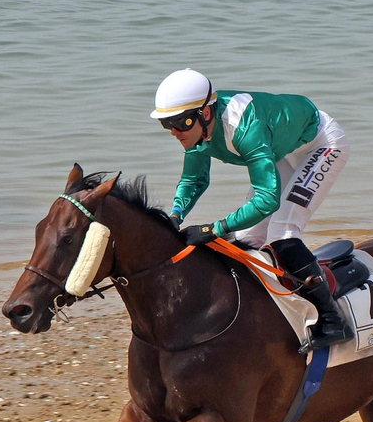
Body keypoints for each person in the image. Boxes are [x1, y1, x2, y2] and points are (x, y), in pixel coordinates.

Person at [150, 69, 353, 351]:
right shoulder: (196, 134)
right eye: (166, 124)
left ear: (205, 114)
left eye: (178, 123)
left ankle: (332, 320)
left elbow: (267, 200)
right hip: (281, 148)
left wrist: (214, 228)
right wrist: (175, 216)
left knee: (282, 232)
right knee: (246, 240)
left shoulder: (244, 128)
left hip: (321, 144)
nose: (174, 132)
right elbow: (195, 179)